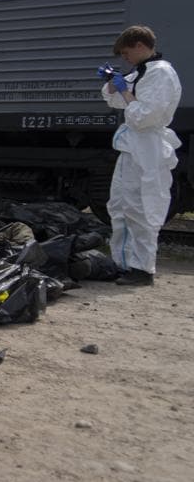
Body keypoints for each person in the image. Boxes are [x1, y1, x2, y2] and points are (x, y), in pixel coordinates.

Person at [99, 25, 182, 286]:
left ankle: (142, 268)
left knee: (142, 208)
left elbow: (145, 116)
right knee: (120, 206)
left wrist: (125, 91)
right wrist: (113, 83)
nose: (125, 59)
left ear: (139, 46)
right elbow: (116, 100)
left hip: (148, 148)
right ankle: (123, 263)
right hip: (131, 147)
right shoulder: (142, 71)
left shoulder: (161, 73)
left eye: (126, 53)